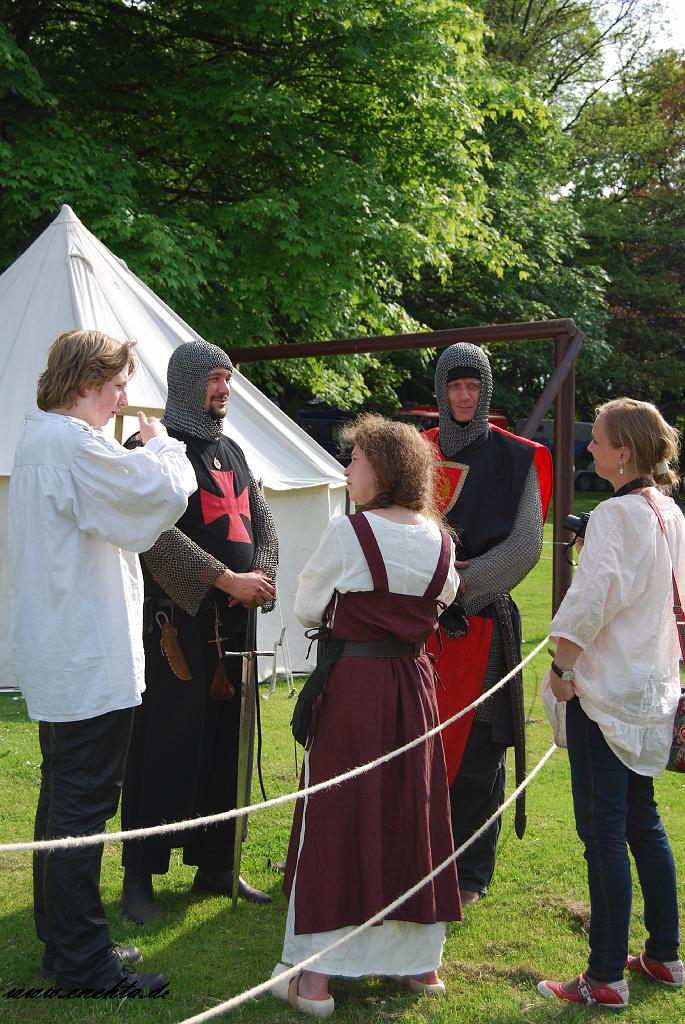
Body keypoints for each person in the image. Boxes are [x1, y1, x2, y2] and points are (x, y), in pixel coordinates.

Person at [8, 329, 196, 994]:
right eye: (116, 383)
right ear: (88, 379)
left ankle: (68, 942)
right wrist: (161, 446)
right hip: (84, 657)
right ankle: (82, 962)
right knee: (80, 809)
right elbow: (155, 499)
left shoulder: (41, 441)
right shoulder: (70, 444)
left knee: (65, 803)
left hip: (65, 652)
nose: (122, 397)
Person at [271, 413, 461, 1018]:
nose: (347, 468)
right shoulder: (438, 536)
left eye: (354, 459)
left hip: (355, 687)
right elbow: (448, 595)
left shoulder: (350, 533)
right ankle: (419, 964)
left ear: (382, 468)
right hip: (413, 686)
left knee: (340, 811)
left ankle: (317, 980)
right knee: (413, 807)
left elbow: (307, 605)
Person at [120, 340, 278, 922]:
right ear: (187, 382)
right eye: (215, 379)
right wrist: (223, 579)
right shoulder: (152, 448)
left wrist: (260, 575)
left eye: (228, 381)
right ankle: (140, 874)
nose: (223, 390)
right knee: (164, 745)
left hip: (233, 625)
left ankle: (217, 862)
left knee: (226, 748)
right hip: (177, 627)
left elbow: (262, 522)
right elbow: (154, 533)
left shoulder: (232, 450)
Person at [537, 398, 684, 1008]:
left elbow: (596, 598)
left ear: (623, 451)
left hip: (607, 693)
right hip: (650, 690)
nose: (589, 448)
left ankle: (604, 976)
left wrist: (562, 667)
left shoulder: (617, 516)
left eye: (596, 440)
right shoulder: (670, 511)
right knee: (641, 822)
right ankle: (664, 955)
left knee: (604, 831)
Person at [423, 343, 552, 905]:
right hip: (421, 623)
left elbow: (525, 547)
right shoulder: (417, 451)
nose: (464, 396)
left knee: (478, 755)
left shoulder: (516, 458)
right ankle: (421, 857)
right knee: (419, 743)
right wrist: (427, 590)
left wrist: (459, 587)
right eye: (455, 386)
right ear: (442, 390)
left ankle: (471, 873)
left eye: (473, 386)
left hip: (482, 621)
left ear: (487, 389)